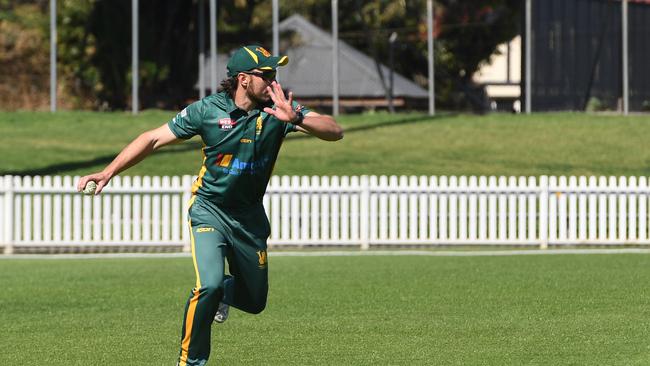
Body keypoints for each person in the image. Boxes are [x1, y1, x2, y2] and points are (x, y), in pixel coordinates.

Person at [77, 45, 343, 366]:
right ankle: (191, 361)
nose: (274, 81)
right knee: (209, 284)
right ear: (243, 79)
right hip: (209, 210)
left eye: (276, 73)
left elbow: (335, 131)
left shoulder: (280, 108)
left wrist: (297, 117)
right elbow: (152, 139)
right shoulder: (207, 110)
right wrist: (108, 171)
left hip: (249, 219)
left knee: (255, 301)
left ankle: (224, 294)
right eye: (267, 74)